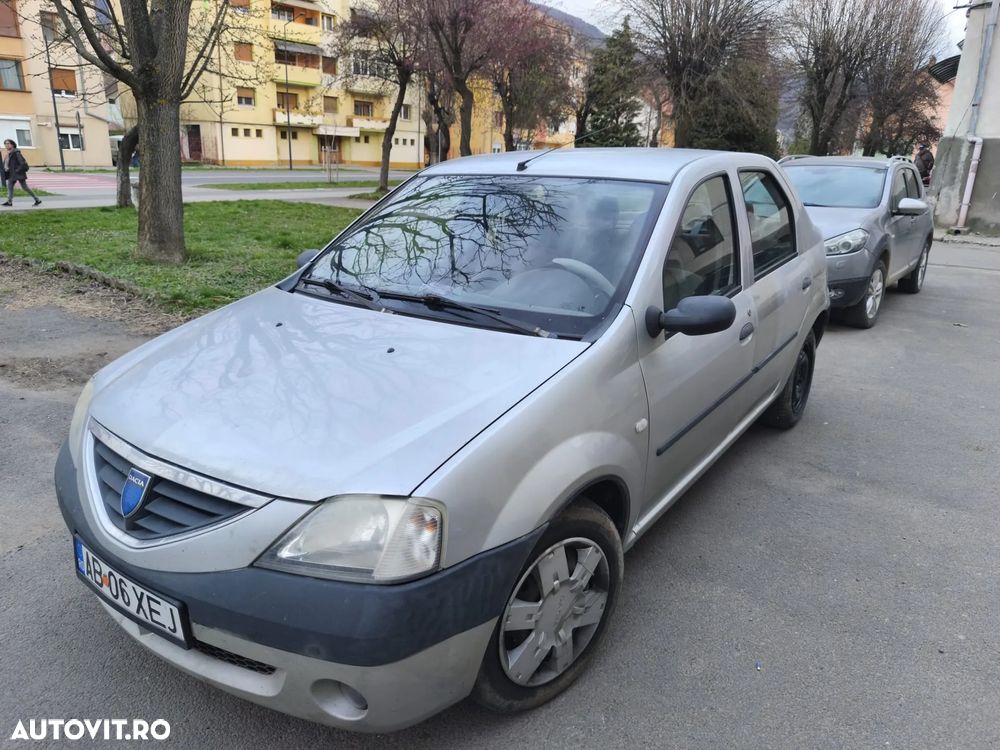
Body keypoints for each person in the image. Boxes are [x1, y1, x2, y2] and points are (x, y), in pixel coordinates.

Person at [2, 139, 41, 207]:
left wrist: (16, 171)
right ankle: (9, 201)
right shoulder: (9, 153)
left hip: (18, 173)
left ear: (12, 144)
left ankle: (37, 200)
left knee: (24, 187)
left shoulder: (16, 153)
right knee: (10, 187)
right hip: (12, 174)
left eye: (8, 143)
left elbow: (22, 163)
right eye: (5, 144)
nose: (6, 145)